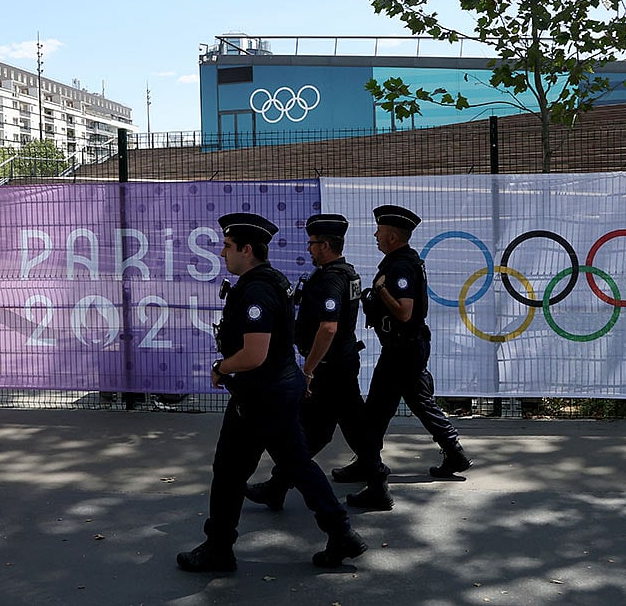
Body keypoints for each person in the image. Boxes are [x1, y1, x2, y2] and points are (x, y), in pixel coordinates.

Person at [176, 212, 367, 572]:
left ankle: (219, 547)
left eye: (228, 247)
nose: (222, 253)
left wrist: (220, 368)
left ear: (247, 249)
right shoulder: (268, 281)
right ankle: (342, 533)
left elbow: (254, 353)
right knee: (297, 463)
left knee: (230, 469)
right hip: (275, 390)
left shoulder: (258, 289)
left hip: (261, 395)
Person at [342, 205, 471, 511]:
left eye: (380, 231)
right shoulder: (401, 261)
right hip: (406, 348)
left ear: (394, 236)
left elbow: (404, 311)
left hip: (403, 349)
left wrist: (382, 291)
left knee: (375, 412)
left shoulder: (399, 267)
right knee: (417, 401)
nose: (375, 234)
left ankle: (370, 471)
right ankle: (454, 453)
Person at [244, 213, 368, 511]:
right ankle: (376, 480)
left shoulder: (332, 279)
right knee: (351, 427)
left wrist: (309, 369)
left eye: (312, 244)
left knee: (309, 433)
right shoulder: (345, 273)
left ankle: (279, 486)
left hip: (330, 368)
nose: (309, 249)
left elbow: (328, 328)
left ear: (324, 245)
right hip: (341, 363)